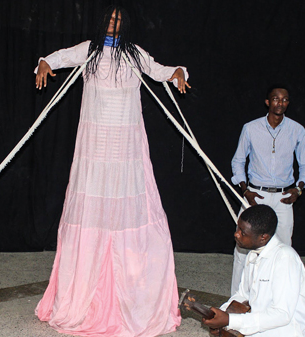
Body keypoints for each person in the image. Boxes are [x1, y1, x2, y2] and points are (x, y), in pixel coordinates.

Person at [33, 5, 190, 337]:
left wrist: (177, 73)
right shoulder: (88, 51)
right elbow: (56, 57)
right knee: (93, 211)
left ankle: (128, 296)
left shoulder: (135, 55)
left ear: (126, 25)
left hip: (126, 151)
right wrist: (44, 64)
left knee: (128, 213)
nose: (115, 25)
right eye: (110, 19)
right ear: (102, 22)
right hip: (94, 150)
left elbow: (162, 70)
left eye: (120, 20)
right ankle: (85, 295)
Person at [230, 85, 305, 294]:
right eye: (276, 99)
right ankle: (236, 300)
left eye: (285, 99)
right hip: (255, 196)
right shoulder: (251, 128)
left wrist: (299, 190)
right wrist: (245, 190)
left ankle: (278, 297)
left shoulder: (297, 130)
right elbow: (238, 161)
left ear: (288, 103)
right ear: (268, 102)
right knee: (242, 247)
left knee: (283, 248)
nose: (280, 103)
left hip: (284, 197)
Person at [203, 205, 305, 336]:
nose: (236, 234)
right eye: (238, 227)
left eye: (243, 233)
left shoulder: (285, 258)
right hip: (258, 329)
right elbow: (243, 295)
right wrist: (221, 315)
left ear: (263, 237)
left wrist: (230, 320)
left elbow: (282, 314)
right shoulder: (253, 254)